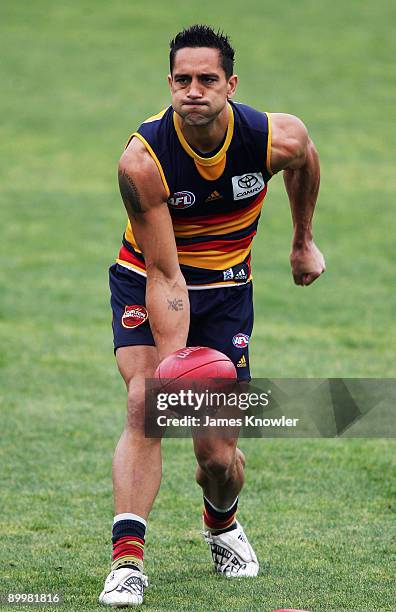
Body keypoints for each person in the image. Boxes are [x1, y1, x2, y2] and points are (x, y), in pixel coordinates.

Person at [99, 24, 325, 607]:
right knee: (146, 401)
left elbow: (305, 160)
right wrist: (178, 366)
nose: (193, 90)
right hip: (148, 276)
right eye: (182, 80)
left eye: (206, 79)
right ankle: (128, 560)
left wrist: (302, 241)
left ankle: (221, 523)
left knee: (217, 456)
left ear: (231, 84)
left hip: (226, 289)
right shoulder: (142, 161)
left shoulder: (275, 138)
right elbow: (165, 275)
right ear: (168, 83)